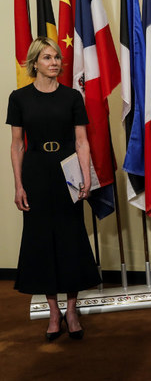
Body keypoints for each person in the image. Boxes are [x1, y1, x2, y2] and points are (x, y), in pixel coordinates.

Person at [7, 37, 101, 341]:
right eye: (48, 58)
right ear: (35, 63)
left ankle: (72, 310)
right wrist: (19, 184)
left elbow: (81, 140)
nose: (55, 63)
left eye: (57, 57)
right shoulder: (19, 98)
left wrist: (86, 175)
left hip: (67, 171)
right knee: (40, 240)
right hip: (35, 172)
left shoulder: (72, 97)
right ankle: (53, 311)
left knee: (70, 238)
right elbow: (16, 144)